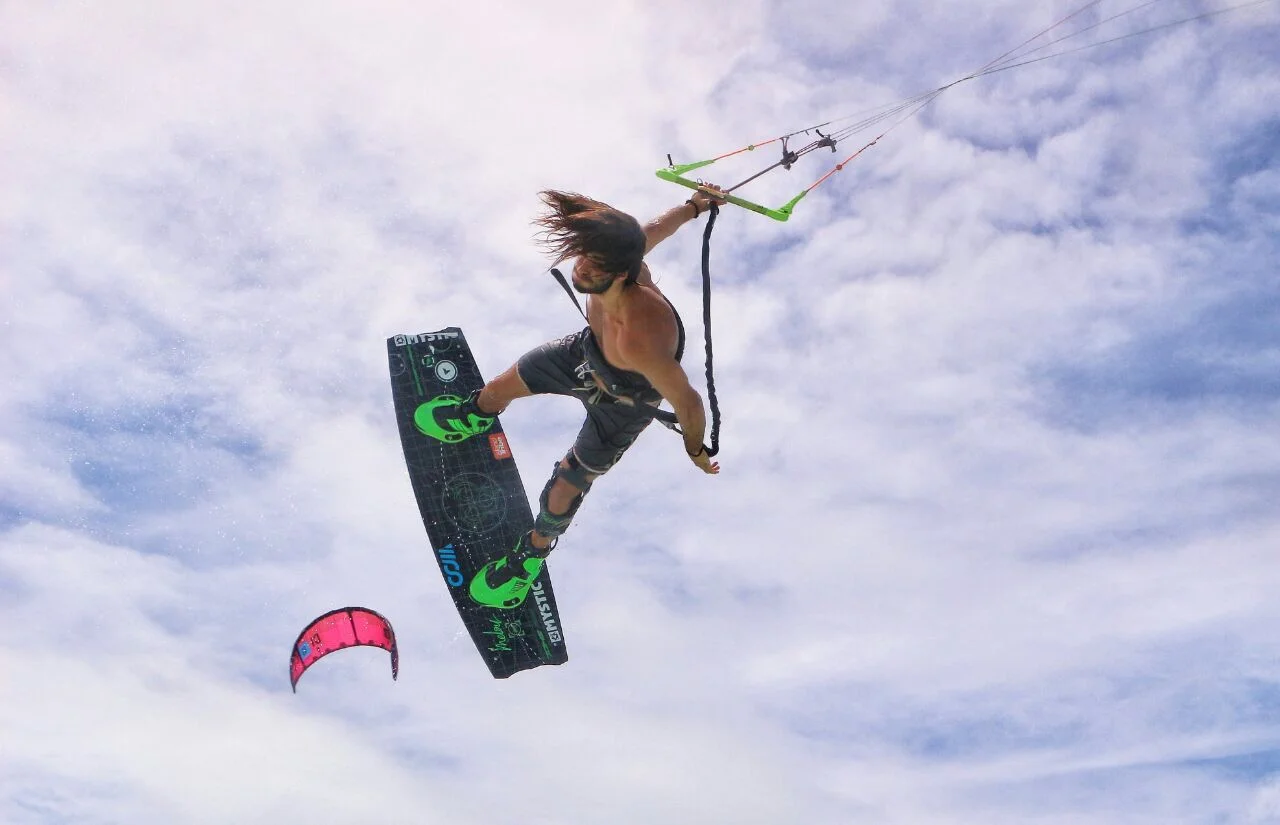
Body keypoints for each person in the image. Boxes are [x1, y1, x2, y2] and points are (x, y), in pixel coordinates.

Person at [432, 188, 725, 609]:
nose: (583, 267)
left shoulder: (641, 338)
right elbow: (661, 225)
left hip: (625, 402)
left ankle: (532, 553)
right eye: (584, 254)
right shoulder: (619, 249)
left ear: (625, 272)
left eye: (596, 264)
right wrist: (697, 205)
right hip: (585, 353)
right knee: (498, 388)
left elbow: (689, 402)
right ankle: (473, 416)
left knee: (570, 481)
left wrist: (695, 449)